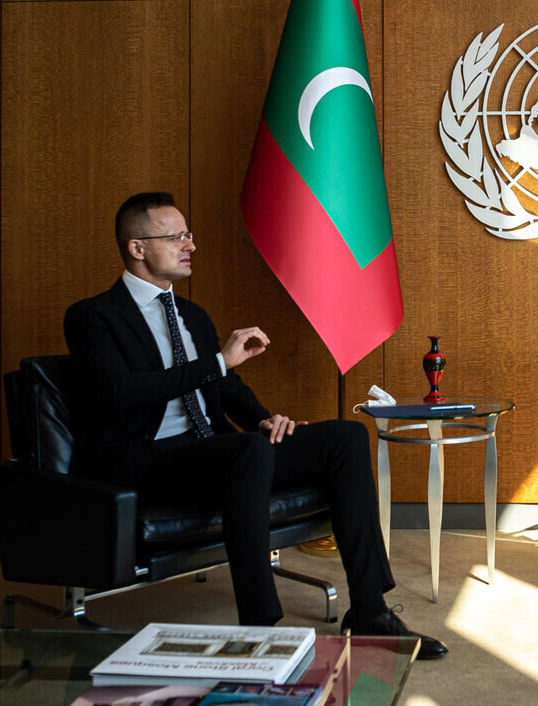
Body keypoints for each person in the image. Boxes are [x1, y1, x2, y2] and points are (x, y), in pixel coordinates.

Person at [64, 192, 447, 659]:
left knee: (344, 437)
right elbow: (118, 392)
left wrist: (264, 420)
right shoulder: (93, 316)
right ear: (137, 247)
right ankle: (262, 627)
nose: (190, 245)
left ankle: (370, 610)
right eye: (176, 237)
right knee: (247, 450)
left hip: (218, 452)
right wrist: (217, 362)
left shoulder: (192, 315)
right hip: (146, 460)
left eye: (189, 235)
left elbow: (226, 387)